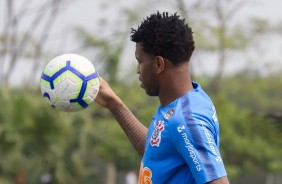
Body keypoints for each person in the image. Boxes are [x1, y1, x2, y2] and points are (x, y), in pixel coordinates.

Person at [95, 11, 230, 184]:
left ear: (159, 64)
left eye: (140, 61)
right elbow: (158, 150)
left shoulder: (187, 121)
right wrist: (114, 104)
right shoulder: (185, 102)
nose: (138, 70)